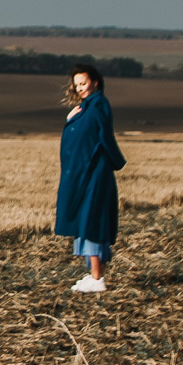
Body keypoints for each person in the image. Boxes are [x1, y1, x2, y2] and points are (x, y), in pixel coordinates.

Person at [56, 62, 125, 294]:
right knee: (89, 221)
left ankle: (97, 278)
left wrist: (116, 161)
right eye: (77, 85)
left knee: (92, 222)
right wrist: (70, 120)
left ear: (95, 82)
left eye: (83, 83)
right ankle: (95, 275)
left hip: (95, 174)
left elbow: (104, 137)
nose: (80, 88)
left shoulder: (98, 106)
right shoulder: (87, 107)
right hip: (87, 173)